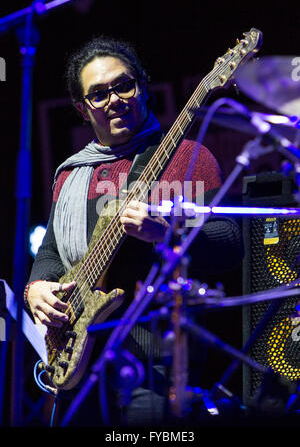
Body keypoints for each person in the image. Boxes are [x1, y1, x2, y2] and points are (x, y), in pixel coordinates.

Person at [25, 35, 243, 426]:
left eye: (124, 85)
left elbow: (231, 242)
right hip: (77, 358)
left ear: (141, 86)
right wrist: (37, 288)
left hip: (155, 360)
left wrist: (167, 233)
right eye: (99, 94)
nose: (115, 99)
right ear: (82, 108)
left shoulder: (189, 158)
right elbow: (52, 253)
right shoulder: (72, 174)